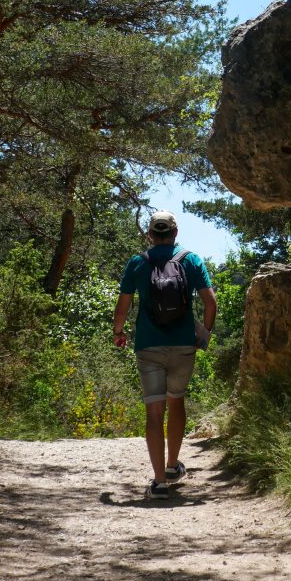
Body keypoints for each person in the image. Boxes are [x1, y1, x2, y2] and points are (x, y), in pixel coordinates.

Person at [112, 210, 217, 498]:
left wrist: (118, 333)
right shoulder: (191, 260)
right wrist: (203, 336)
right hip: (184, 345)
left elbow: (122, 309)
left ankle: (159, 482)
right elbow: (210, 303)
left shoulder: (137, 263)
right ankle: (173, 466)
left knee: (154, 411)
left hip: (148, 346)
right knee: (177, 401)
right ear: (175, 233)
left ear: (150, 234)